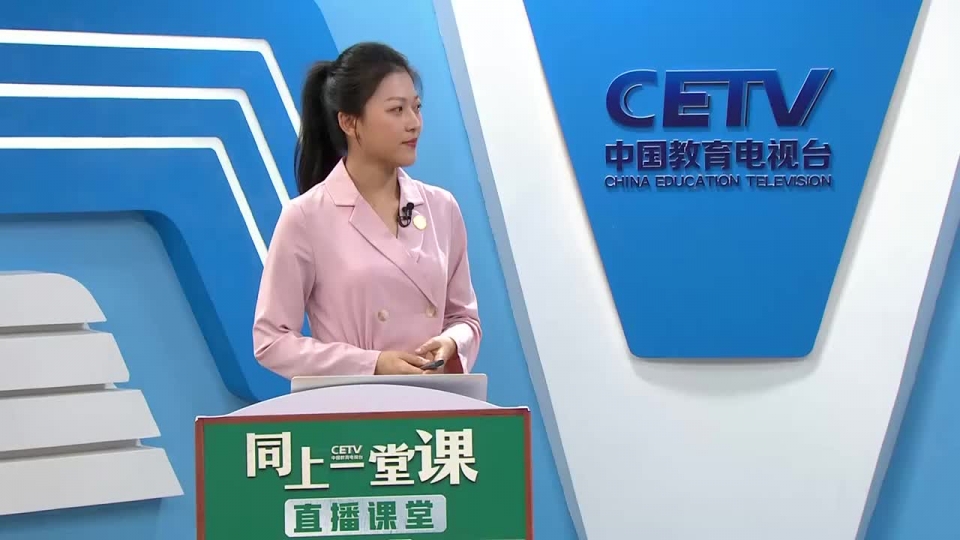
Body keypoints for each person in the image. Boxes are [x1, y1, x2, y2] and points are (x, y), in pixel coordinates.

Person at [252, 42, 481, 378]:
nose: (414, 123)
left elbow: (464, 318)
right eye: (397, 110)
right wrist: (372, 364)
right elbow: (271, 340)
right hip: (356, 406)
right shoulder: (305, 217)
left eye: (416, 108)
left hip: (437, 400)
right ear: (349, 121)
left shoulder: (441, 207)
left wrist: (451, 342)